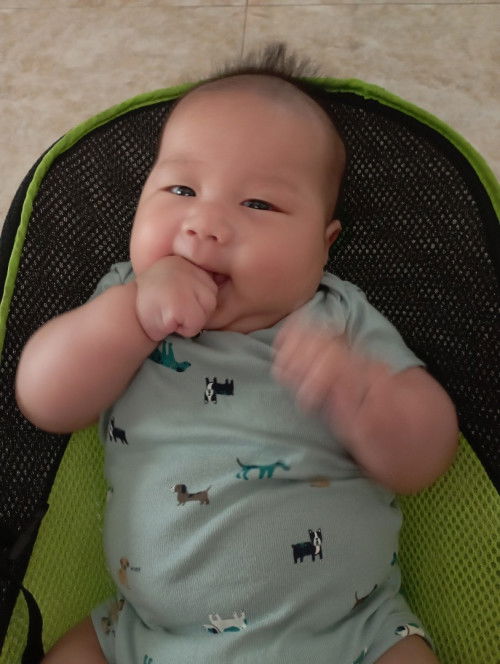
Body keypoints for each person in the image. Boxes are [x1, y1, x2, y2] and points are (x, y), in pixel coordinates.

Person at [16, 44, 458, 664]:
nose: (205, 225)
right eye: (181, 188)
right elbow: (43, 398)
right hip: (147, 636)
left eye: (258, 204)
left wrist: (362, 394)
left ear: (323, 245)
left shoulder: (338, 319)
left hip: (351, 634)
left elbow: (426, 457)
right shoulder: (124, 301)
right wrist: (132, 318)